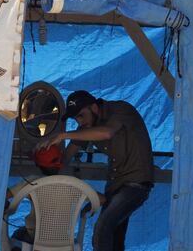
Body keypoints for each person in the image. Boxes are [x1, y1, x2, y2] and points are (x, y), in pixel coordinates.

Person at [37, 90, 154, 251]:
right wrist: (46, 157)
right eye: (75, 118)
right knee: (114, 240)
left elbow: (107, 132)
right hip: (115, 186)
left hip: (135, 183)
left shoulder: (120, 109)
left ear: (93, 107)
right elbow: (67, 157)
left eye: (81, 115)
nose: (79, 122)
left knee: (102, 228)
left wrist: (63, 135)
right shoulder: (89, 126)